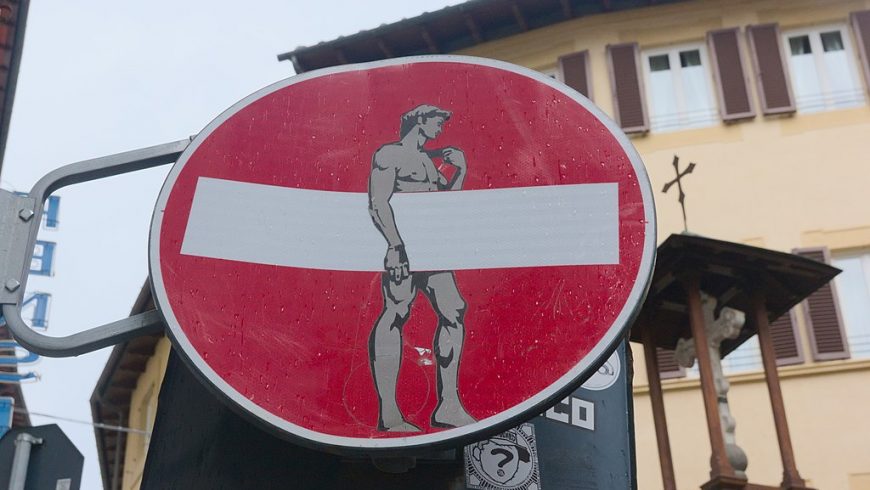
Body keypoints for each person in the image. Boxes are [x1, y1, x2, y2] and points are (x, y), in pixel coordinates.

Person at [367, 104, 476, 432]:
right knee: (396, 312)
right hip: (403, 246)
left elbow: (445, 206)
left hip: (432, 248)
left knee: (453, 311)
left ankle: (448, 406)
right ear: (419, 121)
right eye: (436, 122)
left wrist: (460, 173)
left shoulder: (430, 161)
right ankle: (389, 414)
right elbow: (378, 202)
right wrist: (395, 246)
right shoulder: (390, 154)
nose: (440, 129)